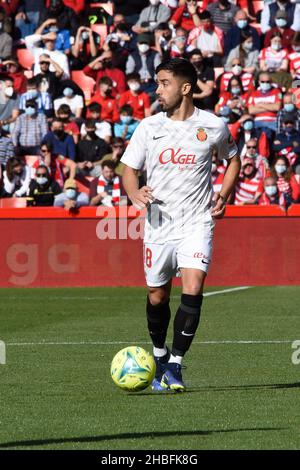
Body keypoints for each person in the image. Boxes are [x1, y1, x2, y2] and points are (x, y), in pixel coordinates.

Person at [121, 58, 240, 391]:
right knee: (158, 296)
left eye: (163, 83)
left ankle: (175, 365)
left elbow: (233, 159)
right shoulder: (148, 127)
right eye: (157, 83)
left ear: (185, 88)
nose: (158, 90)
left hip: (197, 222)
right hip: (158, 223)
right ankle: (159, 355)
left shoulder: (213, 126)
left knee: (194, 287)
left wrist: (224, 194)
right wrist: (134, 193)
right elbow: (128, 169)